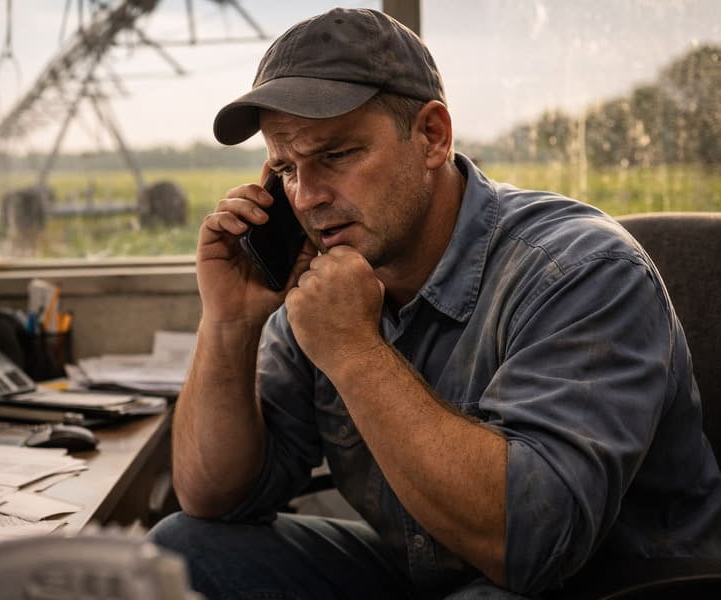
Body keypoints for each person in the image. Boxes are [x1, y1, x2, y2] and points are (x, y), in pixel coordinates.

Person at [149, 7, 721, 599]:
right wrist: (229, 322)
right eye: (286, 168)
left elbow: (531, 545)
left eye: (336, 155)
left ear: (432, 136)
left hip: (599, 584)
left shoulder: (581, 271)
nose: (308, 197)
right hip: (434, 574)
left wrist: (353, 350)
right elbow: (214, 497)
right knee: (183, 550)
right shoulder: (327, 278)